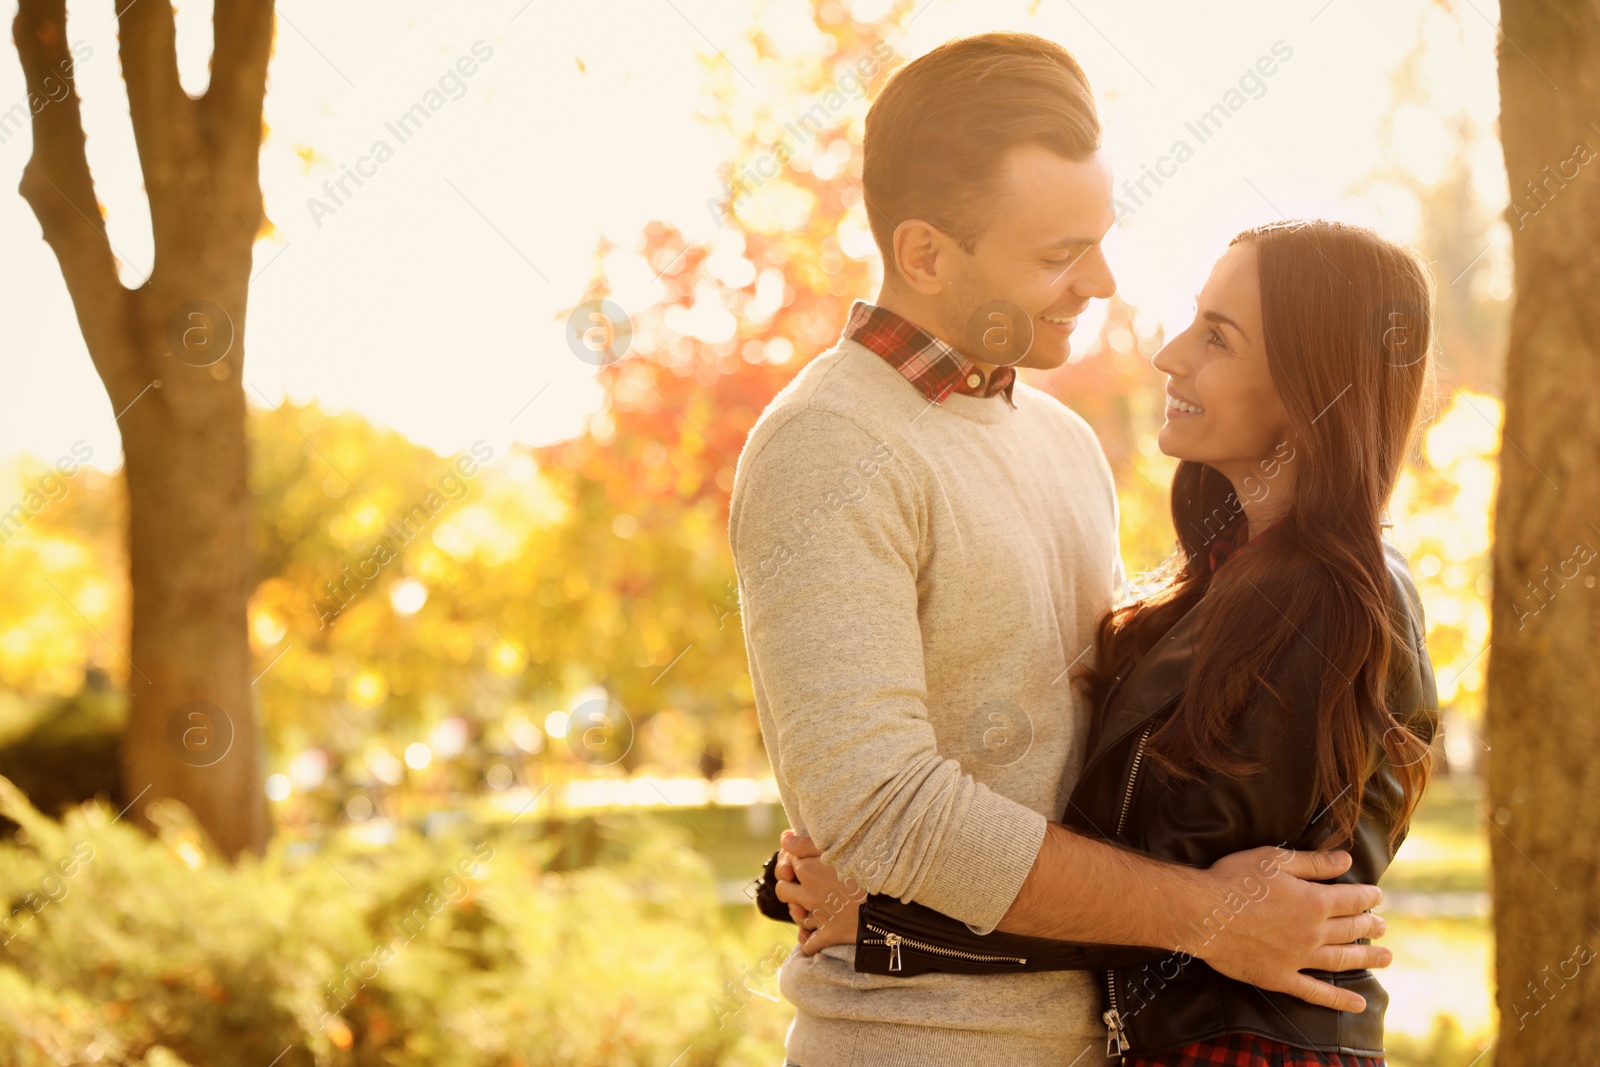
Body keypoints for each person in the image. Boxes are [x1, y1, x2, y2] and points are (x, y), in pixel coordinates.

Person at [728, 29, 1396, 1067]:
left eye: (1098, 238)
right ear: (924, 254)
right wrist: (1203, 913)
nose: (1102, 281)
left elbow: (1093, 769)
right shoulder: (829, 446)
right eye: (1055, 255)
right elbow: (886, 813)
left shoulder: (1062, 443)